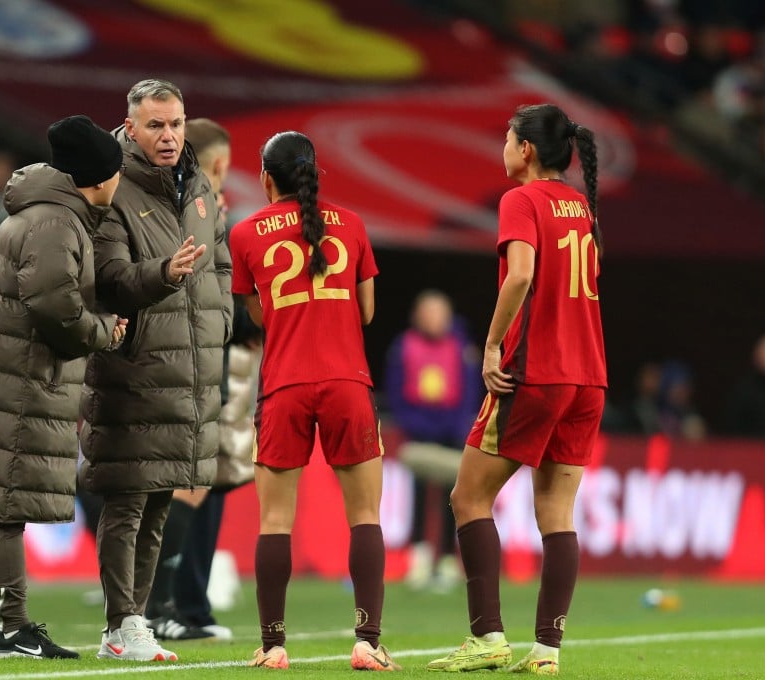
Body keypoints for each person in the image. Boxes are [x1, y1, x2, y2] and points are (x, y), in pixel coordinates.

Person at [0, 115, 127, 660]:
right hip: (20, 385)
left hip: (5, 377)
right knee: (8, 504)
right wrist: (101, 332)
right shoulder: (56, 224)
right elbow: (53, 304)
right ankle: (14, 626)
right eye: (115, 173)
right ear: (98, 176)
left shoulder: (40, 214)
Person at [428, 104, 605, 675]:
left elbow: (523, 274)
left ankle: (486, 638)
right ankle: (546, 653)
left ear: (526, 149)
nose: (503, 148)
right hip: (589, 377)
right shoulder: (580, 204)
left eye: (506, 139)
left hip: (537, 371)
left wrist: (490, 344)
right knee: (557, 511)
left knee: (468, 498)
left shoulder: (520, 201)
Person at [231, 130, 400, 672]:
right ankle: (367, 642)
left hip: (283, 385)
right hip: (347, 381)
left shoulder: (245, 234)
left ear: (265, 178)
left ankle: (274, 645)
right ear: (316, 174)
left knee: (275, 520)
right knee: (365, 515)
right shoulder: (351, 224)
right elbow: (368, 312)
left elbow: (256, 316)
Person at [79, 79, 233, 662]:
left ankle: (134, 621)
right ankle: (121, 623)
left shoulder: (197, 183)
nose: (168, 137)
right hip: (134, 364)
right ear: (131, 127)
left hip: (191, 367)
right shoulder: (113, 186)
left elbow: (217, 262)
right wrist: (165, 275)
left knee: (162, 497)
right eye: (155, 126)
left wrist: (216, 327)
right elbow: (112, 276)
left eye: (176, 124)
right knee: (128, 499)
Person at [144, 117, 261, 642]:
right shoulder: (200, 208)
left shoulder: (171, 205)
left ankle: (167, 605)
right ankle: (158, 606)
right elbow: (206, 291)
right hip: (193, 357)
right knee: (183, 483)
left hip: (186, 354)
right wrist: (249, 321)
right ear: (219, 165)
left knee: (188, 482)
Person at [384, 289, 481, 591]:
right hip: (418, 431)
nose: (433, 319)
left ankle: (448, 561)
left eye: (439, 312)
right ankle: (419, 559)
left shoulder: (462, 347)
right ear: (417, 316)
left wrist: (459, 427)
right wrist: (414, 424)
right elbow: (395, 392)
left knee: (453, 498)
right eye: (428, 312)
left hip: (452, 432)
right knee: (418, 494)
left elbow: (469, 392)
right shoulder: (403, 347)